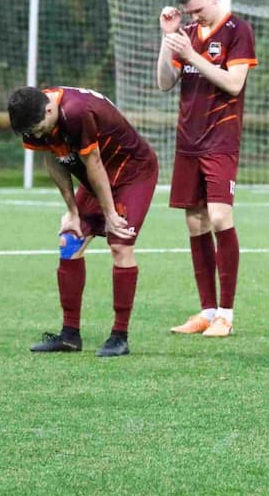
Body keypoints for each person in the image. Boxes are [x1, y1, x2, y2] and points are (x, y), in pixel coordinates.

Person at [9, 85, 159, 358]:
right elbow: (54, 159)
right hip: (97, 178)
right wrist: (72, 212)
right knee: (69, 241)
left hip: (132, 173)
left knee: (120, 244)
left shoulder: (76, 112)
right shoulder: (36, 114)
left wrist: (111, 213)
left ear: (50, 110)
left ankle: (119, 336)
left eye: (39, 129)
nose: (37, 135)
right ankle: (69, 335)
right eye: (32, 133)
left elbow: (94, 163)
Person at [157, 0, 257, 339]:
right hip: (188, 140)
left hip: (220, 139)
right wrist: (167, 40)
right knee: (195, 223)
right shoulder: (187, 36)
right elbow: (165, 83)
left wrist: (191, 55)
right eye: (189, 13)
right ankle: (207, 311)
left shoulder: (237, 30)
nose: (195, 18)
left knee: (218, 216)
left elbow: (234, 83)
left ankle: (226, 316)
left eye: (198, 10)